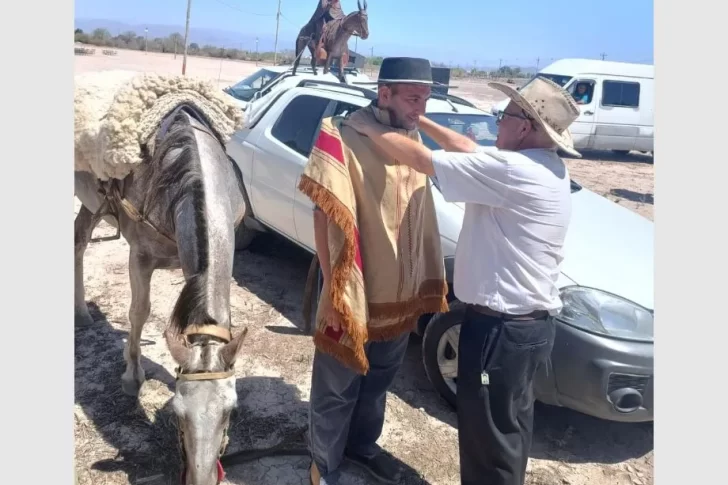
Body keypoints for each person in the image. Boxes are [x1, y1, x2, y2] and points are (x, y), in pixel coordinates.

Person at [343, 75, 581, 485]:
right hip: (528, 331)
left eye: (503, 115)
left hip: (498, 336)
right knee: (509, 426)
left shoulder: (513, 170)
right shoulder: (543, 166)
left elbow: (424, 161)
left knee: (487, 434)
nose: (496, 121)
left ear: (524, 126)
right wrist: (423, 119)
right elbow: (469, 149)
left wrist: (370, 127)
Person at [298, 57, 449, 485]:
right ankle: (322, 465)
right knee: (336, 385)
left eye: (426, 98)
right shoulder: (342, 135)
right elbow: (323, 214)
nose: (420, 106)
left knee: (378, 379)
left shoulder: (411, 135)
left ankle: (362, 448)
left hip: (400, 292)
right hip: (354, 292)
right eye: (413, 97)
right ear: (384, 94)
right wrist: (332, 285)